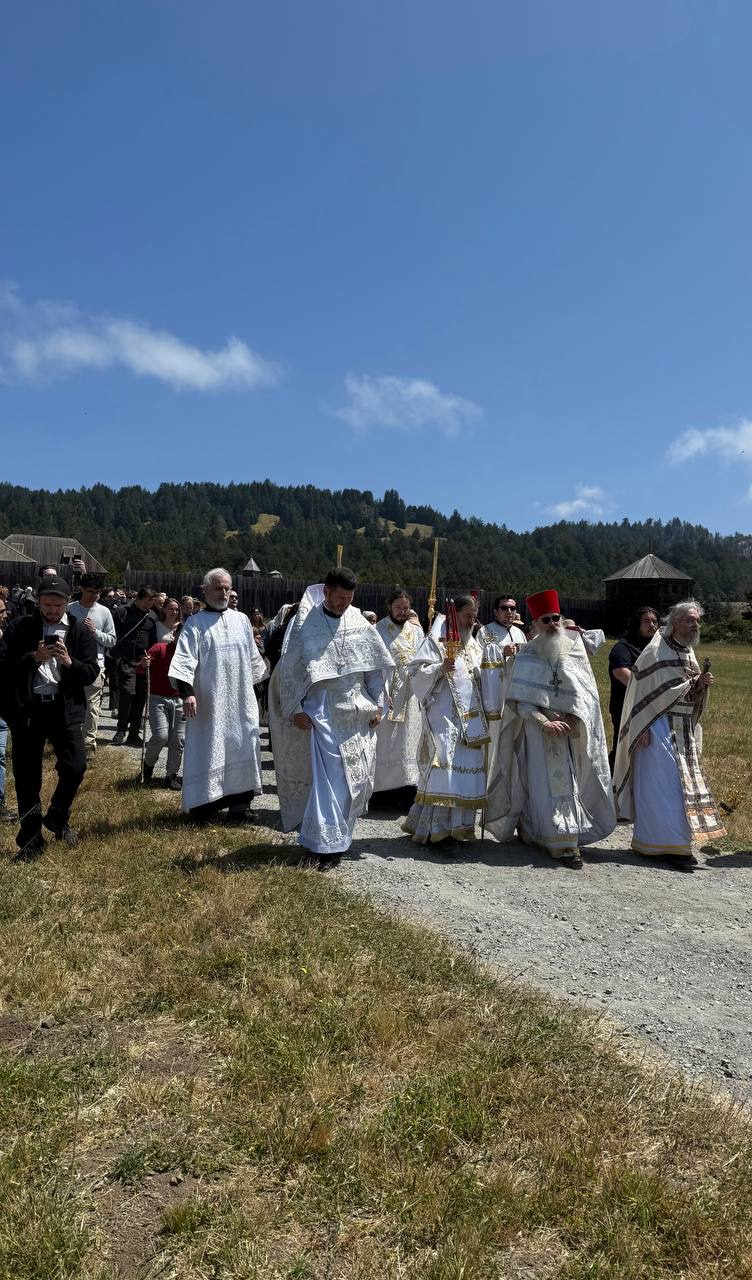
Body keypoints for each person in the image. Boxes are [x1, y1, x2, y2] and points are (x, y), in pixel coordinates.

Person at [270, 567, 394, 861]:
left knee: (356, 782)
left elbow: (375, 671)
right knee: (330, 782)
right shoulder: (305, 624)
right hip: (323, 711)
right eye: (340, 598)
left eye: (349, 598)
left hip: (358, 712)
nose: (344, 604)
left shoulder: (359, 622)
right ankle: (324, 845)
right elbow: (289, 671)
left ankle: (340, 839)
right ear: (326, 592)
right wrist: (296, 709)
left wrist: (379, 705)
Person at [486, 589, 615, 867]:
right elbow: (518, 702)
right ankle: (542, 834)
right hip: (537, 732)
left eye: (556, 618)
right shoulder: (527, 655)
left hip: (568, 731)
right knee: (540, 784)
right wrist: (544, 722)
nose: (553, 624)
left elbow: (586, 697)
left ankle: (564, 840)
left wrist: (571, 720)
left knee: (566, 783)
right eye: (546, 620)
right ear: (535, 625)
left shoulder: (574, 652)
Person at [613, 600, 725, 863]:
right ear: (675, 622)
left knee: (681, 787)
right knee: (664, 787)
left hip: (683, 728)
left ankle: (675, 845)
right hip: (656, 726)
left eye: (697, 621)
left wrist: (701, 685)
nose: (695, 625)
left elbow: (687, 690)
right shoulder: (655, 650)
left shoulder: (688, 651)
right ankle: (661, 845)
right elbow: (641, 693)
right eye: (690, 620)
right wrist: (640, 727)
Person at [0, 576, 99, 857]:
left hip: (64, 708)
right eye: (47, 605)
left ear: (67, 603)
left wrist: (69, 662)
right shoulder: (20, 626)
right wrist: (34, 657)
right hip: (28, 710)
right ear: (38, 602)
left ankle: (57, 816)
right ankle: (31, 840)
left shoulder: (79, 631)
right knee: (27, 777)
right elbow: (3, 666)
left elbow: (91, 672)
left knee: (75, 766)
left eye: (58, 606)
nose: (52, 611)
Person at [168, 568, 267, 823]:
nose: (223, 593)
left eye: (226, 588)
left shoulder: (241, 620)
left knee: (242, 747)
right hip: (208, 704)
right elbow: (184, 660)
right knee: (208, 750)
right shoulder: (195, 623)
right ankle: (203, 809)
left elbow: (253, 660)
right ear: (205, 591)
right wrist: (188, 694)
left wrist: (256, 690)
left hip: (240, 702)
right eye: (217, 588)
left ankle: (239, 808)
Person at [402, 595, 490, 847]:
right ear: (455, 614)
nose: (471, 622)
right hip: (443, 715)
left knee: (465, 768)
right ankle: (436, 829)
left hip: (470, 720)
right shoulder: (436, 640)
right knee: (443, 764)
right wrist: (439, 668)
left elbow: (482, 676)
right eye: (467, 616)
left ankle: (459, 829)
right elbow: (414, 673)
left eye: (474, 617)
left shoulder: (473, 644)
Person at [372, 589, 424, 796]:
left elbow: (423, 658)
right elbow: (374, 665)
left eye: (406, 608)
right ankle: (383, 793)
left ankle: (408, 790)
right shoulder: (378, 629)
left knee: (409, 741)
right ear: (389, 607)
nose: (402, 612)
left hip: (412, 694)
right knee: (387, 741)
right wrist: (380, 693)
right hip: (388, 692)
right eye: (398, 608)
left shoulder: (416, 631)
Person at [67, 572, 117, 761]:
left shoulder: (104, 612)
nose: (94, 595)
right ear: (81, 589)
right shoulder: (69, 609)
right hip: (70, 664)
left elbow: (112, 640)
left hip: (96, 665)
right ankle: (69, 742)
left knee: (92, 706)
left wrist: (95, 632)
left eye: (97, 592)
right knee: (69, 703)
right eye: (90, 591)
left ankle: (88, 747)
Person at [607, 607, 659, 769]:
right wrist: (649, 690)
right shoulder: (623, 647)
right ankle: (613, 778)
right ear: (637, 623)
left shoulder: (658, 647)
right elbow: (621, 672)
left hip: (653, 706)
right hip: (626, 705)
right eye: (646, 621)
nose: (652, 625)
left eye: (654, 621)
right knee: (623, 747)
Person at [138, 625, 185, 790]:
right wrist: (144, 663)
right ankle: (147, 767)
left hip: (181, 700)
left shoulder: (191, 654)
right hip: (158, 698)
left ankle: (171, 775)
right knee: (161, 736)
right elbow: (141, 668)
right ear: (174, 635)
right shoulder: (160, 648)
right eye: (181, 634)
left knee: (178, 739)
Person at [111, 587, 158, 746]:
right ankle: (121, 729)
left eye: (151, 603)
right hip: (125, 660)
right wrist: (117, 656)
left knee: (140, 697)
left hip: (143, 662)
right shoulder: (121, 612)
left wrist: (150, 658)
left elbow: (153, 642)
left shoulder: (152, 616)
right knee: (127, 693)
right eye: (146, 603)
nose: (148, 606)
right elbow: (112, 634)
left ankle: (134, 733)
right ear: (137, 599)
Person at [0, 595, 17, 821]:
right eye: (1, 611)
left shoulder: (6, 636)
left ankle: (0, 803)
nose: (5, 615)